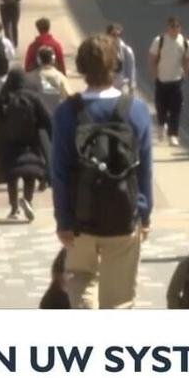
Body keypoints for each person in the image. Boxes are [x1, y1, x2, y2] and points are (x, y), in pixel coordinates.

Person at [52, 34, 154, 310]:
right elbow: (144, 170)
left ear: (81, 67)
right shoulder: (137, 110)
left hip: (80, 219)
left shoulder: (66, 113)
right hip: (124, 215)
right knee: (120, 298)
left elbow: (59, 172)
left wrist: (63, 220)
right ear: (116, 64)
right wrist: (144, 214)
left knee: (80, 279)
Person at [0, 68, 52, 222]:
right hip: (31, 144)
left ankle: (14, 208)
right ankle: (27, 200)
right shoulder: (33, 98)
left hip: (8, 146)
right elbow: (48, 119)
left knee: (12, 177)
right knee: (29, 175)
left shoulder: (3, 99)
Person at [148, 17, 189, 146]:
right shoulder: (160, 41)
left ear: (180, 28)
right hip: (162, 79)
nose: (175, 29)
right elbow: (152, 57)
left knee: (176, 109)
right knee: (161, 107)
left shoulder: (185, 42)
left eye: (177, 26)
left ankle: (173, 134)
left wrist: (186, 72)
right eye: (172, 26)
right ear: (168, 28)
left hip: (176, 80)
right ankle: (161, 126)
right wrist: (154, 73)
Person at [25, 46, 72, 115]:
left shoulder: (30, 77)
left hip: (38, 117)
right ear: (53, 59)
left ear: (38, 60)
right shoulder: (60, 76)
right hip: (56, 116)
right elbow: (69, 97)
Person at [106, 22, 136, 95]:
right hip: (106, 86)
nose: (116, 37)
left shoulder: (126, 50)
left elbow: (131, 69)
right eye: (113, 35)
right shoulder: (103, 49)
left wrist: (131, 87)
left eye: (119, 35)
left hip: (120, 87)